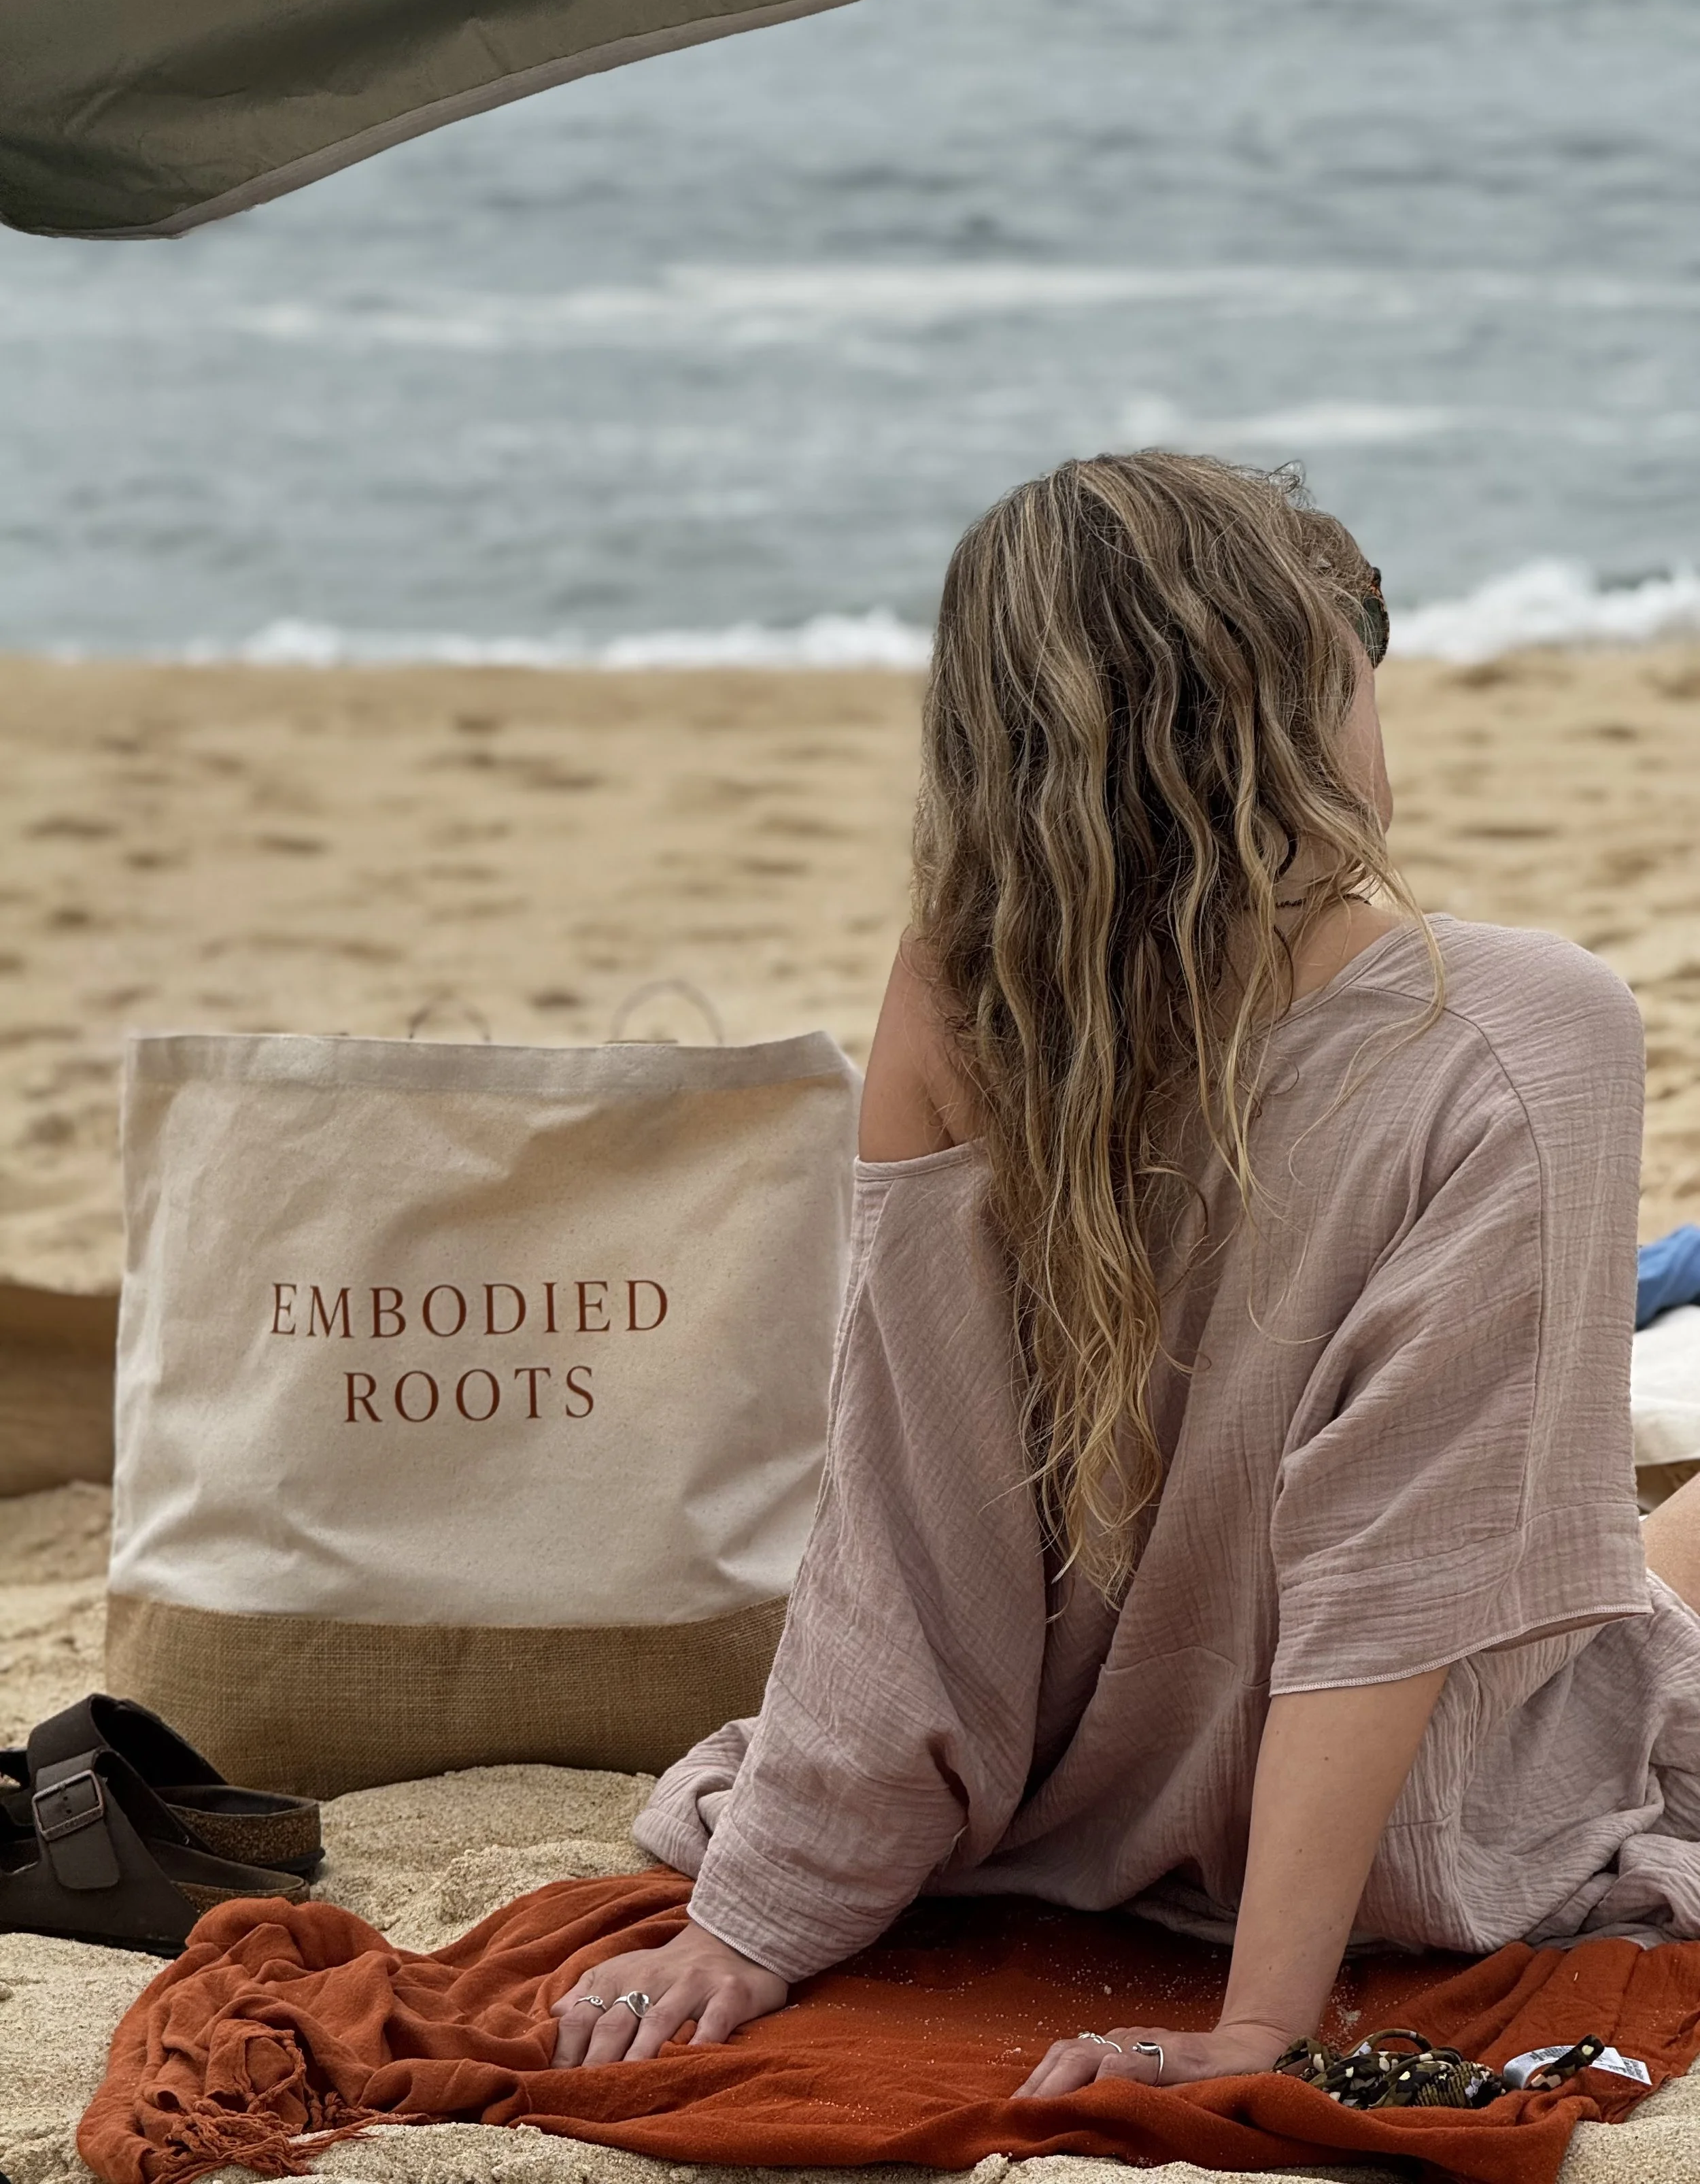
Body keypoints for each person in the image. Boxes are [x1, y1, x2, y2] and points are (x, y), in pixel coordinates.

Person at [551, 450, 1700, 2091]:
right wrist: (1259, 2022)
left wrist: (763, 1909)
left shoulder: (960, 984)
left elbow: (903, 1508)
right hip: (1415, 1826)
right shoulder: (1523, 1029)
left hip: (1058, 1792)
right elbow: (1394, 1567)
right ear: (1295, 689)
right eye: (1359, 623)